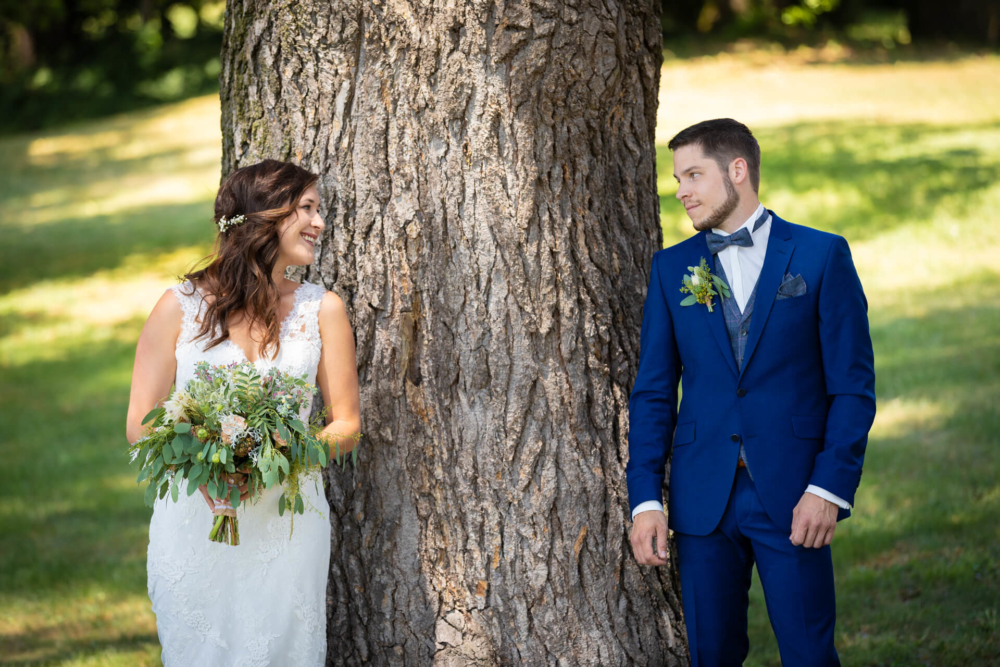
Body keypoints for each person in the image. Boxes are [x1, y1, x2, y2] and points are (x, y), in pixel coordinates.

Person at [626, 119, 875, 665]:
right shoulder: (673, 270)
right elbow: (653, 393)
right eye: (677, 178)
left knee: (809, 653)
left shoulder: (819, 255)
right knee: (711, 655)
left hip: (794, 495)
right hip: (701, 502)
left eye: (694, 174)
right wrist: (646, 499)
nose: (681, 190)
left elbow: (853, 389)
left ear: (738, 170)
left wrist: (828, 489)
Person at [124, 159, 362, 666]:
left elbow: (346, 426)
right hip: (195, 520)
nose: (320, 223)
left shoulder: (322, 310)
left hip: (286, 525)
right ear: (263, 217)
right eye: (307, 209)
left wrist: (280, 452)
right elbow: (140, 421)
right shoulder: (179, 306)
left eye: (319, 210)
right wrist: (203, 466)